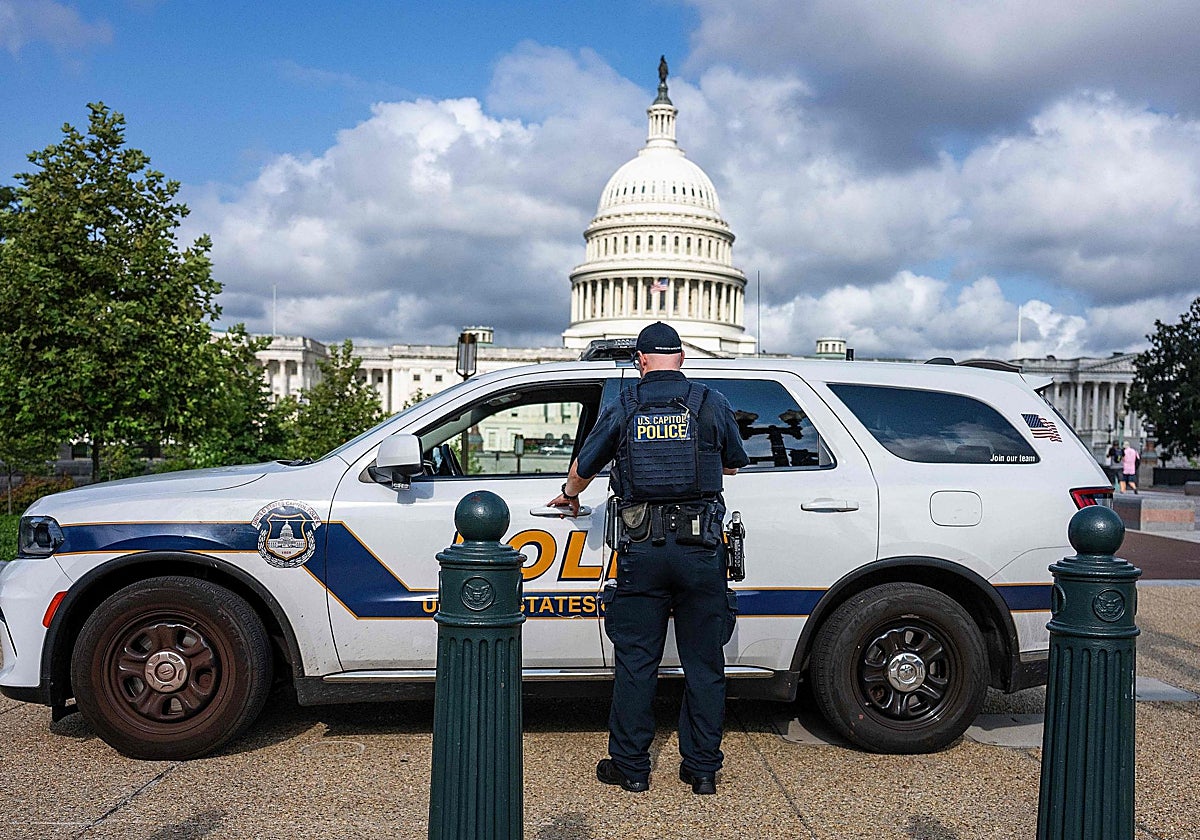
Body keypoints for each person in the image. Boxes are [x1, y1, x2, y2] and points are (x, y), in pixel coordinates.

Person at [547, 322, 749, 795]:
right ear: (681, 357)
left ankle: (632, 768)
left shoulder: (626, 405)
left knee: (637, 661)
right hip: (701, 548)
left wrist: (569, 495)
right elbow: (734, 462)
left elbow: (583, 468)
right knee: (704, 663)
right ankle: (702, 769)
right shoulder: (710, 401)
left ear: (641, 360)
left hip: (642, 548)